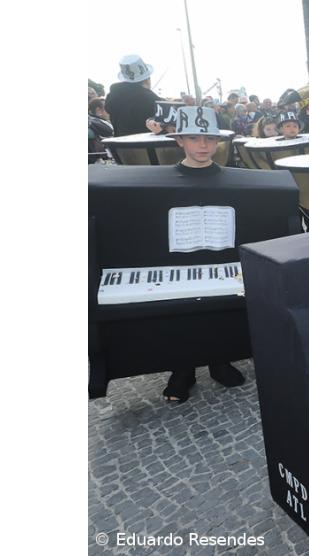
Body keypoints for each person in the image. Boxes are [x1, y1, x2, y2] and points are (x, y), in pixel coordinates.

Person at [161, 106, 248, 403]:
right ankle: (182, 369)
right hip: (180, 260)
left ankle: (219, 361)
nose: (202, 145)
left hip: (222, 258)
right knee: (181, 312)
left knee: (219, 309)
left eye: (210, 139)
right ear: (179, 141)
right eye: (194, 138)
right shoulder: (162, 182)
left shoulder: (234, 180)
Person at [105, 55, 163, 136]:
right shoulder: (151, 99)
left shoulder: (112, 97)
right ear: (147, 79)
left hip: (120, 143)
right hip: (149, 143)